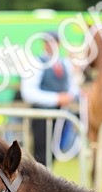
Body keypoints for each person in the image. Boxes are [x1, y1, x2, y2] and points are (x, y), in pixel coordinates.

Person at [19, 32, 77, 166]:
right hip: (42, 116)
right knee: (41, 156)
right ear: (44, 44)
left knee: (53, 155)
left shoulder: (64, 64)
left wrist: (75, 94)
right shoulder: (36, 62)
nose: (53, 46)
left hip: (60, 115)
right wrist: (56, 98)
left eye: (55, 42)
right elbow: (28, 93)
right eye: (49, 42)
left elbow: (71, 87)